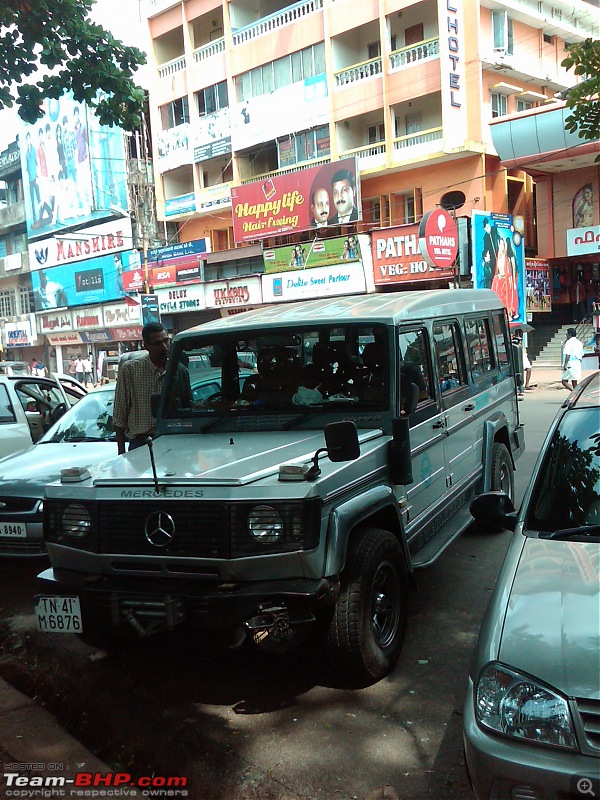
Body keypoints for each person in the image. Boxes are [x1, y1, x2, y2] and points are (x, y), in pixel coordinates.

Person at [112, 323, 171, 454]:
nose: (164, 347)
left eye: (166, 341)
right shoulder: (130, 370)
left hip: (172, 441)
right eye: (157, 343)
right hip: (140, 443)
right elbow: (119, 417)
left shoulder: (178, 371)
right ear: (146, 346)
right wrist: (121, 455)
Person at [481, 218, 498, 289]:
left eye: (487, 228)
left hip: (497, 254)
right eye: (485, 229)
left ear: (489, 225)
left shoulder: (495, 230)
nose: (487, 230)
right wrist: (486, 258)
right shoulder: (485, 237)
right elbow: (486, 249)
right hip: (492, 258)